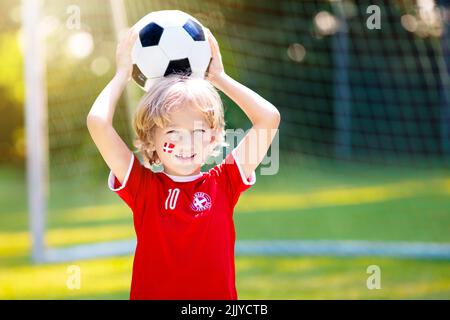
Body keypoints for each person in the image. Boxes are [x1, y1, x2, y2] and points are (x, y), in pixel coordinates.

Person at [87, 27, 281, 299]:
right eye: (172, 132)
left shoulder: (224, 183)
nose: (186, 143)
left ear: (213, 138)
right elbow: (98, 123)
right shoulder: (143, 188)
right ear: (150, 140)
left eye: (198, 132)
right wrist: (121, 75)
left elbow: (268, 118)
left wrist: (220, 78)